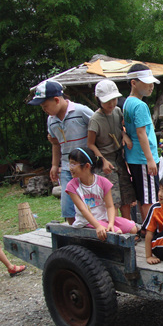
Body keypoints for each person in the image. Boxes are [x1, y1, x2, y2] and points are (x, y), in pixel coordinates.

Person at [28, 80, 94, 224]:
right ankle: (73, 236)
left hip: (86, 166)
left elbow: (98, 129)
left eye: (45, 106)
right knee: (68, 205)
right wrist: (54, 165)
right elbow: (56, 144)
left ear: (57, 100)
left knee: (92, 202)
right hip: (66, 167)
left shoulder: (81, 111)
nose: (44, 109)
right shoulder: (51, 121)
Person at [65, 147, 139, 241]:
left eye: (74, 164)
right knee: (117, 232)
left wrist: (111, 223)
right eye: (70, 163)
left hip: (104, 218)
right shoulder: (72, 186)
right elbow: (83, 210)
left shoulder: (103, 182)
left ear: (87, 166)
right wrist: (98, 226)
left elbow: (110, 206)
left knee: (133, 229)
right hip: (86, 221)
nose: (70, 167)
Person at [87, 79, 136, 220]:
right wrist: (102, 160)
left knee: (126, 194)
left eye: (114, 100)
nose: (111, 104)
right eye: (107, 101)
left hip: (119, 157)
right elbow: (90, 144)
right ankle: (114, 228)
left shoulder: (117, 111)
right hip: (105, 160)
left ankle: (129, 226)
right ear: (98, 100)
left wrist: (124, 135)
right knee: (112, 197)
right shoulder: (95, 120)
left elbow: (120, 128)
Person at [123, 64, 161, 221]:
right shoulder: (140, 105)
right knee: (150, 199)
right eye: (146, 82)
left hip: (135, 158)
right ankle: (152, 230)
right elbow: (141, 133)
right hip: (143, 158)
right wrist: (150, 159)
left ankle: (147, 229)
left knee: (144, 195)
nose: (151, 86)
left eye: (152, 82)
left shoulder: (127, 102)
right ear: (134, 83)